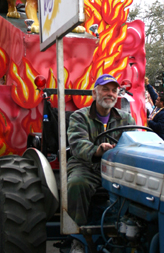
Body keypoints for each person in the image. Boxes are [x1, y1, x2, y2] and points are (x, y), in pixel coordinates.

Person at [67, 74, 135, 232]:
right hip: (86, 166)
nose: (110, 93)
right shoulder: (79, 117)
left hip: (115, 168)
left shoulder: (126, 119)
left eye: (113, 90)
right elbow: (78, 144)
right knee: (77, 184)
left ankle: (128, 231)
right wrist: (97, 150)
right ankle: (77, 235)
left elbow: (134, 143)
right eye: (105, 90)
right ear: (94, 93)